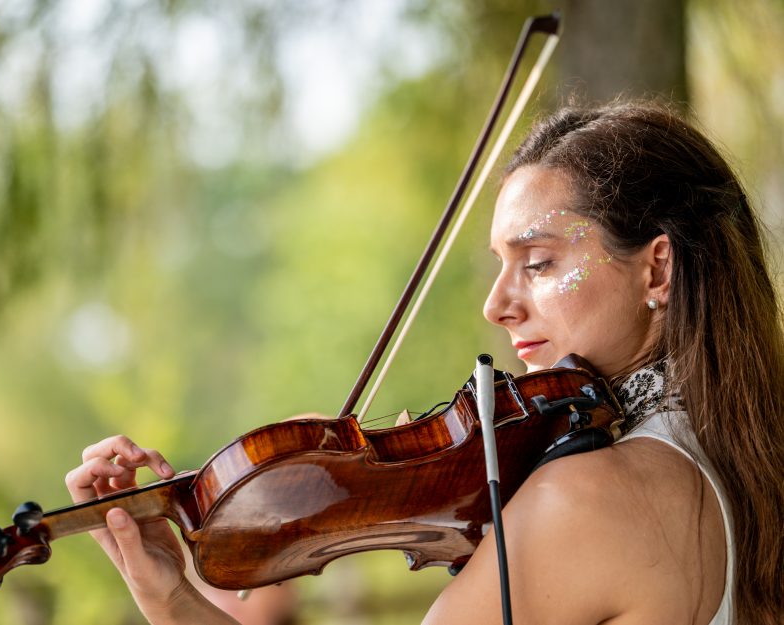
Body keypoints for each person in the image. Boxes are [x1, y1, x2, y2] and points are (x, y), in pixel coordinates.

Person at [65, 101, 784, 624]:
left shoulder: (587, 499)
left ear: (657, 270)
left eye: (537, 263)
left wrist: (169, 595)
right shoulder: (741, 465)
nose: (497, 304)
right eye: (499, 266)